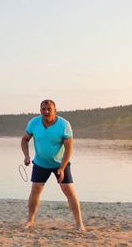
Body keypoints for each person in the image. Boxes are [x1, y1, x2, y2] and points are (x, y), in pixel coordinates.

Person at [21, 99, 86, 232]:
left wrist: (62, 168)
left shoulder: (64, 125)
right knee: (36, 189)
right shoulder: (34, 123)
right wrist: (27, 156)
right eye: (43, 109)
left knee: (68, 190)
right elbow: (25, 139)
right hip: (40, 163)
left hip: (60, 163)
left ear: (55, 110)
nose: (46, 111)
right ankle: (30, 220)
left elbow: (69, 148)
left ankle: (79, 224)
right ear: (40, 111)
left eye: (49, 109)